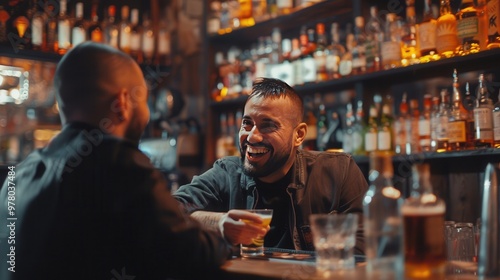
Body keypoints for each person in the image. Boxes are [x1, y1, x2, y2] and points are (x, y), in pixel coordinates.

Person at [0, 42, 232, 280]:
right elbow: (189, 253)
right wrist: (225, 241)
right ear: (122, 102)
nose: (147, 112)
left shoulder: (20, 175)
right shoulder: (118, 161)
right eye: (143, 99)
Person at [174, 77, 369, 255]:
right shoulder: (227, 173)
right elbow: (170, 212)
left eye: (268, 125)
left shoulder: (339, 172)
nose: (252, 136)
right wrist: (220, 222)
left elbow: (364, 251)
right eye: (247, 123)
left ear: (299, 135)